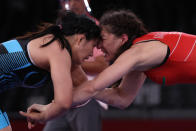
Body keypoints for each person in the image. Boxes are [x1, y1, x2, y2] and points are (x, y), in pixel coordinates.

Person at [25, 9, 196, 126]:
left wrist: (51, 107)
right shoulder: (139, 60)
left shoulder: (137, 52)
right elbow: (122, 99)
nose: (98, 48)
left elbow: (92, 87)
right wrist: (86, 89)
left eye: (103, 39)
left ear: (122, 38)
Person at [0, 10, 100, 131]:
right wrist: (46, 113)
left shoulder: (65, 54)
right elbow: (63, 103)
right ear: (80, 39)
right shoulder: (58, 50)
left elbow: (85, 91)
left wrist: (48, 107)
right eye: (93, 46)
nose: (91, 54)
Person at [43, 0, 108, 131]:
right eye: (67, 0)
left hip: (88, 99)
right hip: (63, 97)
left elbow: (102, 65)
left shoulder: (96, 28)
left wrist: (65, 61)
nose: (72, 4)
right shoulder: (60, 30)